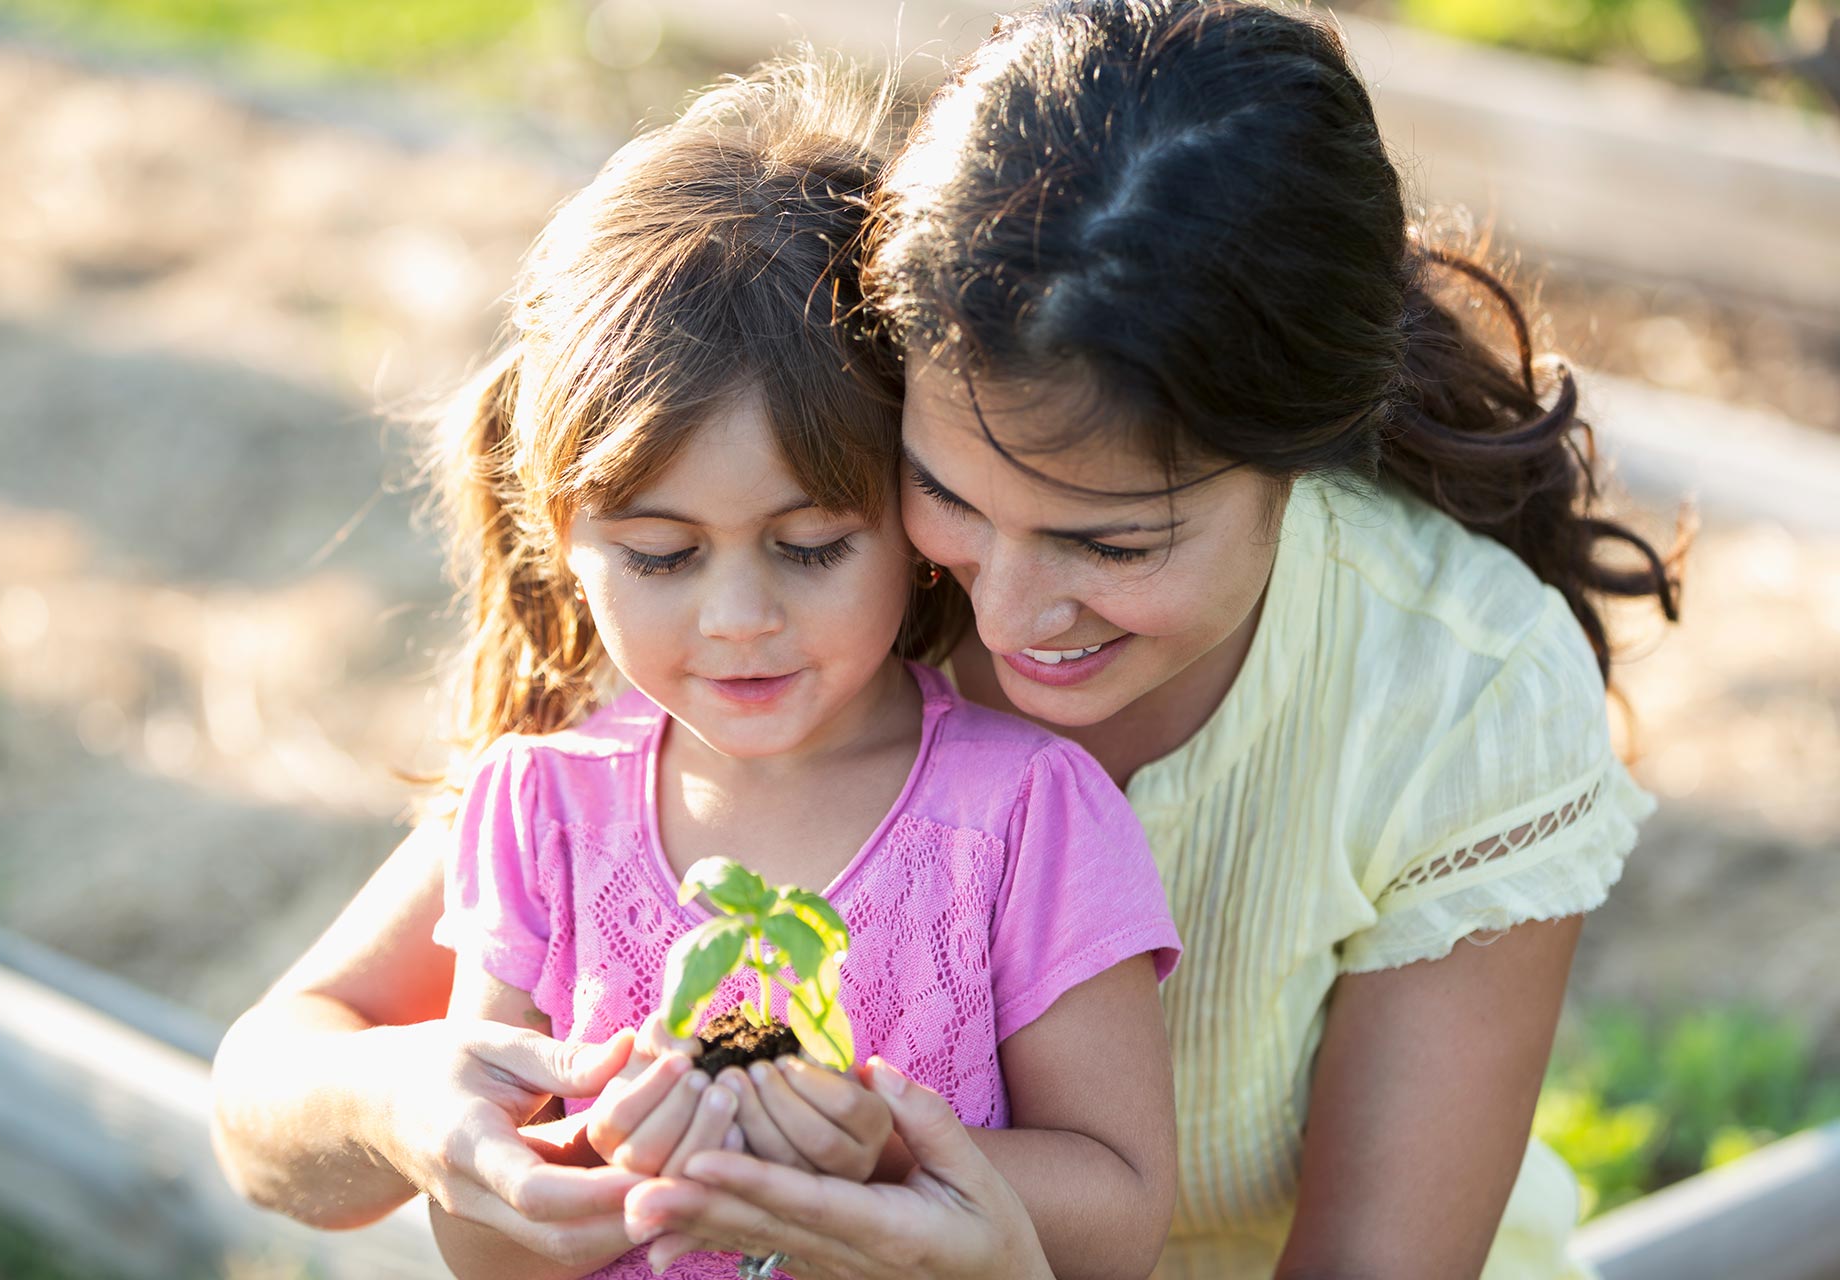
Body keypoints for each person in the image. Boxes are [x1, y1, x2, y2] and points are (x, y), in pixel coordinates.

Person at [213, 3, 1684, 1277]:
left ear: (1300, 462)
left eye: (1115, 541)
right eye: (952, 499)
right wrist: (403, 1105)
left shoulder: (1455, 691)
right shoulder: (787, 594)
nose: (1008, 611)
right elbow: (278, 1093)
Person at [255, 57, 1181, 1280]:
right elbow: (488, 1243)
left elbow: (1121, 1213)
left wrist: (888, 1162)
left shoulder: (1028, 816)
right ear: (564, 536)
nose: (738, 617)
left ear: (915, 521)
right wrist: (565, 1163)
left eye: (809, 547)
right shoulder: (542, 814)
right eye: (660, 555)